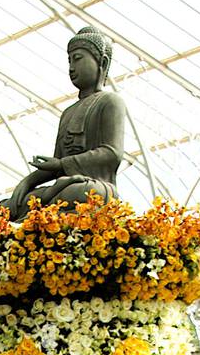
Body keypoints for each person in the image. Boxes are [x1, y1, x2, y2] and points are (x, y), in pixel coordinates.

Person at [7, 25, 126, 221]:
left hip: (96, 187)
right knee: (9, 206)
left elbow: (112, 153)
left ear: (102, 62)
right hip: (65, 185)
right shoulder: (68, 113)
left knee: (78, 193)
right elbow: (56, 166)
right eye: (69, 60)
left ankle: (43, 213)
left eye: (78, 59)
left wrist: (62, 164)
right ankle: (40, 214)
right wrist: (28, 182)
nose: (71, 67)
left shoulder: (110, 102)